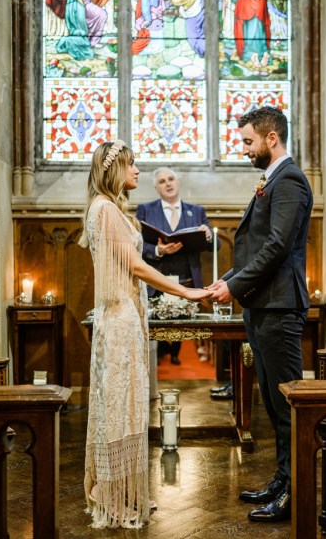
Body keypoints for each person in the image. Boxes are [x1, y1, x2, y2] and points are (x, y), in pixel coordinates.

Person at [79, 141, 210, 529]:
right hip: (118, 319)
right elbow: (135, 266)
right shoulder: (104, 209)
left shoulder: (111, 209)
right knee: (119, 410)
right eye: (131, 164)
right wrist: (185, 290)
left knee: (130, 406)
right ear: (113, 170)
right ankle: (114, 497)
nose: (137, 171)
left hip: (127, 316)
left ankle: (127, 492)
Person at [207, 106, 313, 523]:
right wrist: (227, 279)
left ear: (272, 139)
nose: (244, 149)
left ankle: (295, 493)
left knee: (289, 407)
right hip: (262, 304)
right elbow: (256, 249)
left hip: (280, 306)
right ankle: (283, 479)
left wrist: (234, 286)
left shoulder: (289, 181)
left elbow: (278, 247)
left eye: (249, 141)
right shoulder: (272, 180)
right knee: (272, 403)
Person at [136, 167, 215, 365]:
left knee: (182, 326)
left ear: (178, 182)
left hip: (186, 281)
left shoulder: (196, 211)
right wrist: (157, 251)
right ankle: (156, 361)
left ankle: (175, 354)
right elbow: (135, 244)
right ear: (156, 187)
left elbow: (215, 245)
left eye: (171, 179)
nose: (168, 183)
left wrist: (208, 235)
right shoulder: (145, 210)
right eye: (162, 181)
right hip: (156, 282)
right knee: (154, 328)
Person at [233, 0, 271, 68]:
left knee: (249, 41)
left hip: (247, 24)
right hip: (260, 23)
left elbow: (236, 2)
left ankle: (252, 55)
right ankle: (264, 54)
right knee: (261, 39)